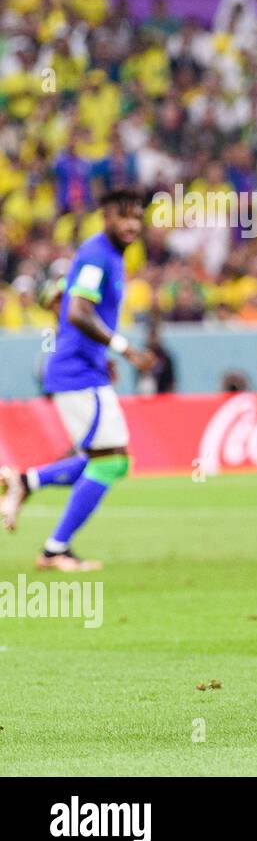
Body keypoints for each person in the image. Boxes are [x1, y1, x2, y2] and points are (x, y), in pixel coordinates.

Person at [1, 188, 155, 570]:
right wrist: (124, 347)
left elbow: (61, 299)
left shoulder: (109, 255)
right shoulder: (97, 254)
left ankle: (26, 482)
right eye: (124, 216)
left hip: (84, 367)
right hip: (76, 373)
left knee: (102, 459)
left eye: (138, 216)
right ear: (106, 217)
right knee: (111, 460)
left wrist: (100, 354)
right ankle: (55, 549)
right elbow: (78, 313)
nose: (133, 224)